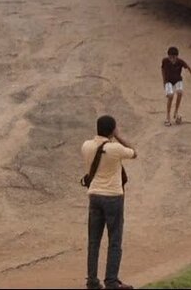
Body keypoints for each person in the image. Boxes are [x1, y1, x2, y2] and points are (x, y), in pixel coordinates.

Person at [81, 115, 137, 290]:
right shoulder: (116, 148)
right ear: (112, 130)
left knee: (93, 240)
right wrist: (118, 136)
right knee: (114, 240)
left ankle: (92, 281)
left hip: (95, 195)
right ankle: (111, 281)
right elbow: (134, 152)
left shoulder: (86, 146)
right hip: (113, 196)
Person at [161, 46, 191, 126]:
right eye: (170, 57)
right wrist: (164, 81)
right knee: (170, 96)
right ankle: (168, 116)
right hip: (168, 80)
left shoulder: (180, 61)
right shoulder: (165, 61)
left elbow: (187, 66)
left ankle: (176, 112)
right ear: (168, 56)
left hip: (178, 80)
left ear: (177, 56)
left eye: (174, 57)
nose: (172, 59)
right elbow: (162, 69)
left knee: (180, 93)